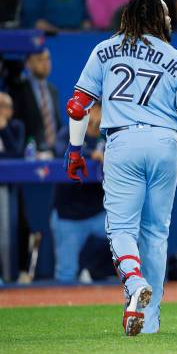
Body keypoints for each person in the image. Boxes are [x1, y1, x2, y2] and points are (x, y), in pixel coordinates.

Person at [64, 0, 177, 336]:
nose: (171, 21)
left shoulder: (104, 49)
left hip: (123, 140)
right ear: (159, 19)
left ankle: (133, 281)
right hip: (164, 143)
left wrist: (74, 150)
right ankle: (150, 320)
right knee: (156, 234)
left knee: (121, 229)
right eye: (167, 15)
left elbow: (78, 105)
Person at [51, 104, 106, 282]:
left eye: (99, 109)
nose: (96, 115)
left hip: (99, 213)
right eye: (93, 109)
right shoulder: (68, 132)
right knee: (66, 274)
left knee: (131, 238)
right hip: (69, 216)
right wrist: (92, 154)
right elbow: (61, 152)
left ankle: (91, 270)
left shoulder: (109, 135)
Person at [10, 49, 62, 156]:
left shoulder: (53, 90)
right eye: (39, 59)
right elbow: (16, 126)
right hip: (30, 155)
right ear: (28, 64)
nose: (45, 63)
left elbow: (56, 124)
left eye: (47, 59)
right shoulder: (19, 90)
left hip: (54, 154)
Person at [21, 0, 87, 31]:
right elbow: (35, 21)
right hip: (50, 36)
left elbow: (85, 17)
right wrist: (57, 31)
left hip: (77, 35)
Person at [0, 92, 25, 158]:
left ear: (11, 111)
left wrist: (4, 129)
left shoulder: (16, 126)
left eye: (4, 105)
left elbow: (17, 155)